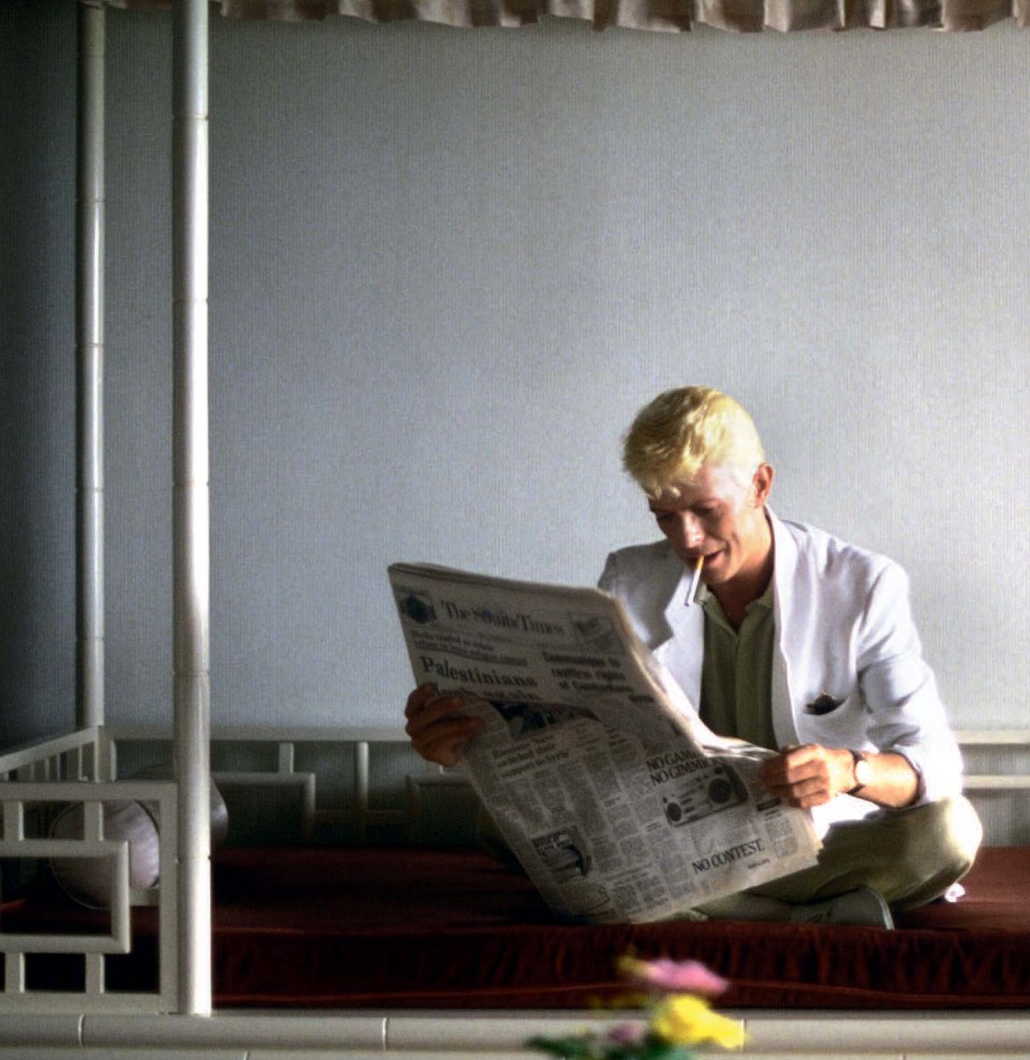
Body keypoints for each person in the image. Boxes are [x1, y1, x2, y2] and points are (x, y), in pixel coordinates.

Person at [405, 385, 980, 927]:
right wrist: (468, 746)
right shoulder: (627, 580)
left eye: (706, 511)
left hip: (812, 838)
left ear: (760, 485)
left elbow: (933, 761)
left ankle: (695, 911)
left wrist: (849, 770)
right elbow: (579, 739)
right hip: (674, 832)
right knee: (498, 822)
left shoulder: (863, 585)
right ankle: (786, 919)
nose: (687, 540)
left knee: (948, 832)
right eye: (664, 516)